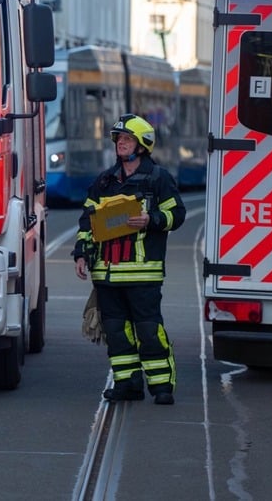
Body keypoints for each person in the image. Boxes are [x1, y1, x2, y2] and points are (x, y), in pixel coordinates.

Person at [71, 114, 186, 405]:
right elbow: (87, 222)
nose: (121, 144)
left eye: (127, 139)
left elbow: (177, 215)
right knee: (117, 334)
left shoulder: (159, 179)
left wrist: (152, 219)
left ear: (142, 144)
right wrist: (81, 254)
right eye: (119, 139)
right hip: (107, 274)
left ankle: (162, 386)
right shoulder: (105, 181)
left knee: (148, 330)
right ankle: (127, 384)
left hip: (143, 274)